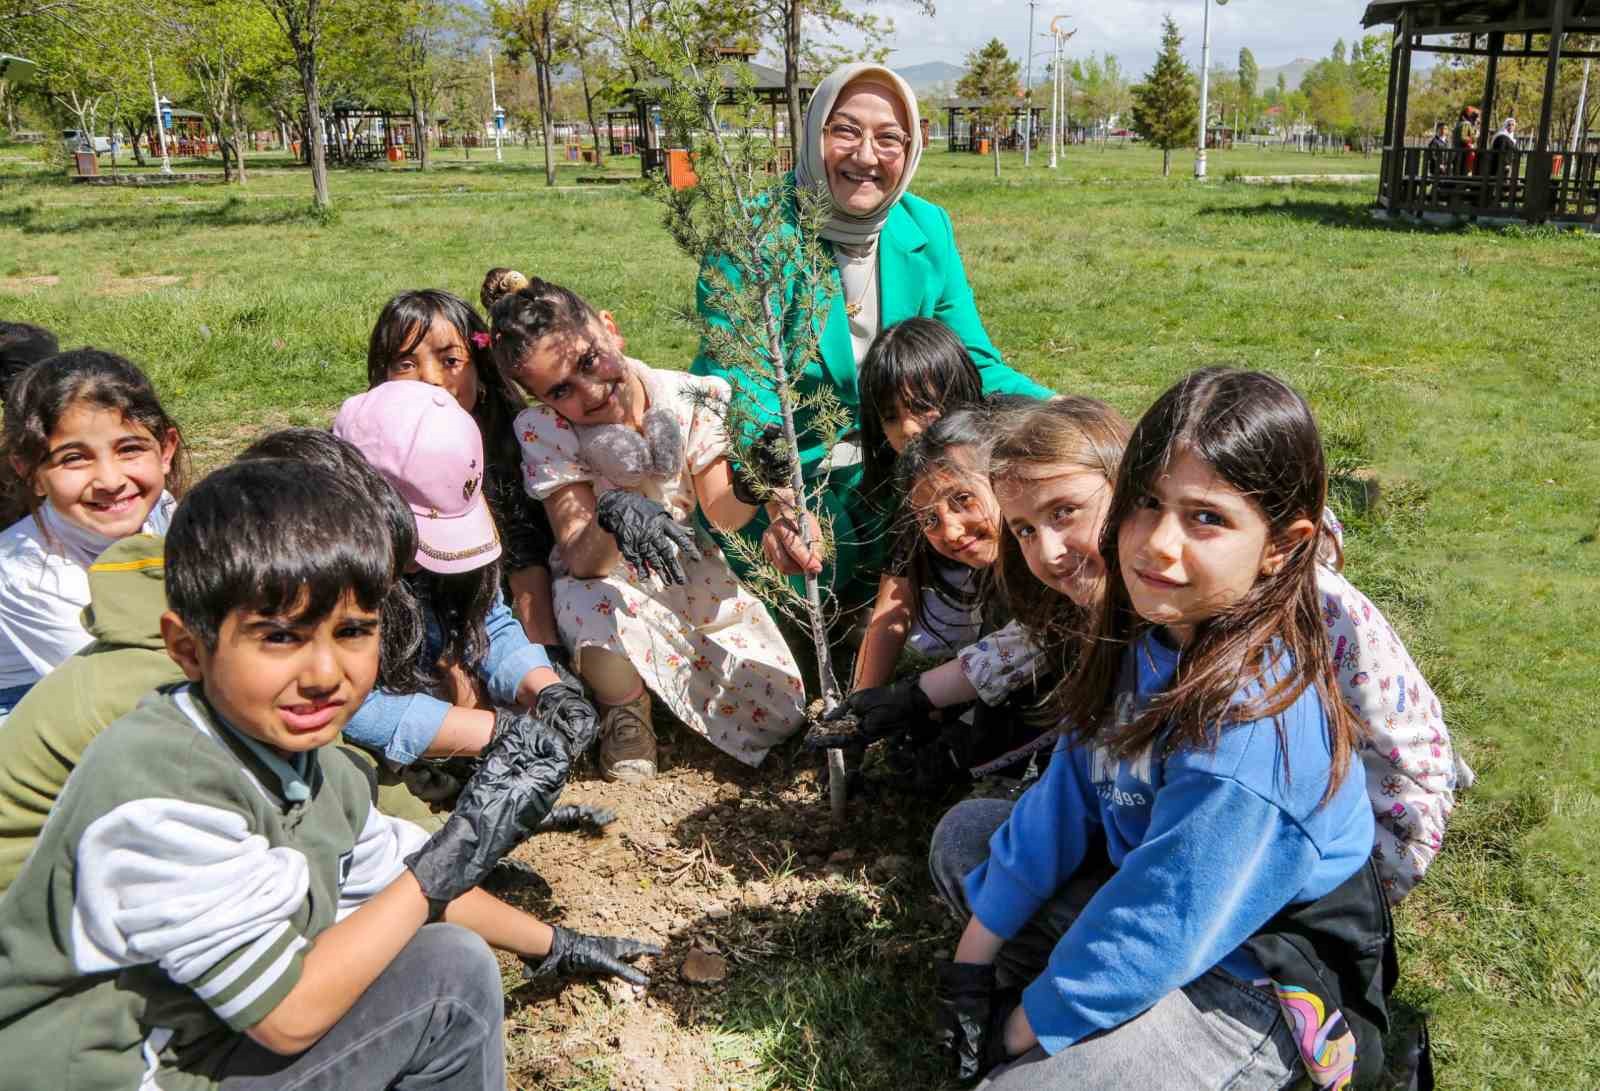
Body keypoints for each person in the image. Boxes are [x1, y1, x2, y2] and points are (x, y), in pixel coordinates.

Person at [0, 458, 656, 1091]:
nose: (323, 673)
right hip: (121, 1074)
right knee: (444, 983)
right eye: (280, 636)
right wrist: (464, 844)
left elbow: (404, 878)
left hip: (203, 1042)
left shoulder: (307, 763)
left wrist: (557, 944)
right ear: (188, 649)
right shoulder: (157, 786)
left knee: (449, 963)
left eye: (351, 630)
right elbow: (287, 1016)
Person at [928, 369, 1392, 1088]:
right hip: (1151, 889)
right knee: (967, 840)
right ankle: (1098, 1006)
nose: (1156, 545)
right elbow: (1070, 792)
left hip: (1247, 974)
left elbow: (1163, 920)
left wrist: (1023, 1025)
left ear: (1281, 543)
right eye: (1147, 503)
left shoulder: (1248, 733)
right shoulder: (1149, 627)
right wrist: (971, 964)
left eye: (1206, 517)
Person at [690, 62, 1051, 612]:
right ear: (813, 135)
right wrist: (783, 500)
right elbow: (744, 385)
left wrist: (1066, 415)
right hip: (786, 478)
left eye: (889, 138)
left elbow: (974, 360)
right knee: (802, 617)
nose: (865, 156)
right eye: (845, 131)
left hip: (898, 464)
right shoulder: (755, 234)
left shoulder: (925, 226)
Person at [489, 277, 806, 781]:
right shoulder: (546, 431)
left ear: (610, 331)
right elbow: (579, 555)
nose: (590, 393)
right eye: (562, 390)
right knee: (587, 604)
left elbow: (722, 514)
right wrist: (612, 515)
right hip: (606, 579)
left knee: (781, 714)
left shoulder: (688, 396)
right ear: (542, 399)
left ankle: (682, 685)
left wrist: (751, 487)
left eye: (589, 362)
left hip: (680, 565)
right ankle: (625, 707)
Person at [333, 383, 590, 776]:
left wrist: (545, 688)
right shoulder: (320, 571)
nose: (425, 561)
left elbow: (490, 620)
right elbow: (345, 704)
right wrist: (498, 731)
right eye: (418, 539)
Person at [368, 288, 559, 644]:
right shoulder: (368, 454)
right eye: (406, 364)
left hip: (499, 611)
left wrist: (547, 654)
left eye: (450, 361)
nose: (431, 379)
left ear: (482, 371)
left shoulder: (515, 443)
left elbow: (524, 558)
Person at [0, 349, 184, 718]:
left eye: (129, 449)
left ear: (165, 450)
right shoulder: (25, 574)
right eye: (74, 458)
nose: (112, 481)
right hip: (33, 701)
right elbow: (127, 692)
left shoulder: (158, 506)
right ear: (30, 471)